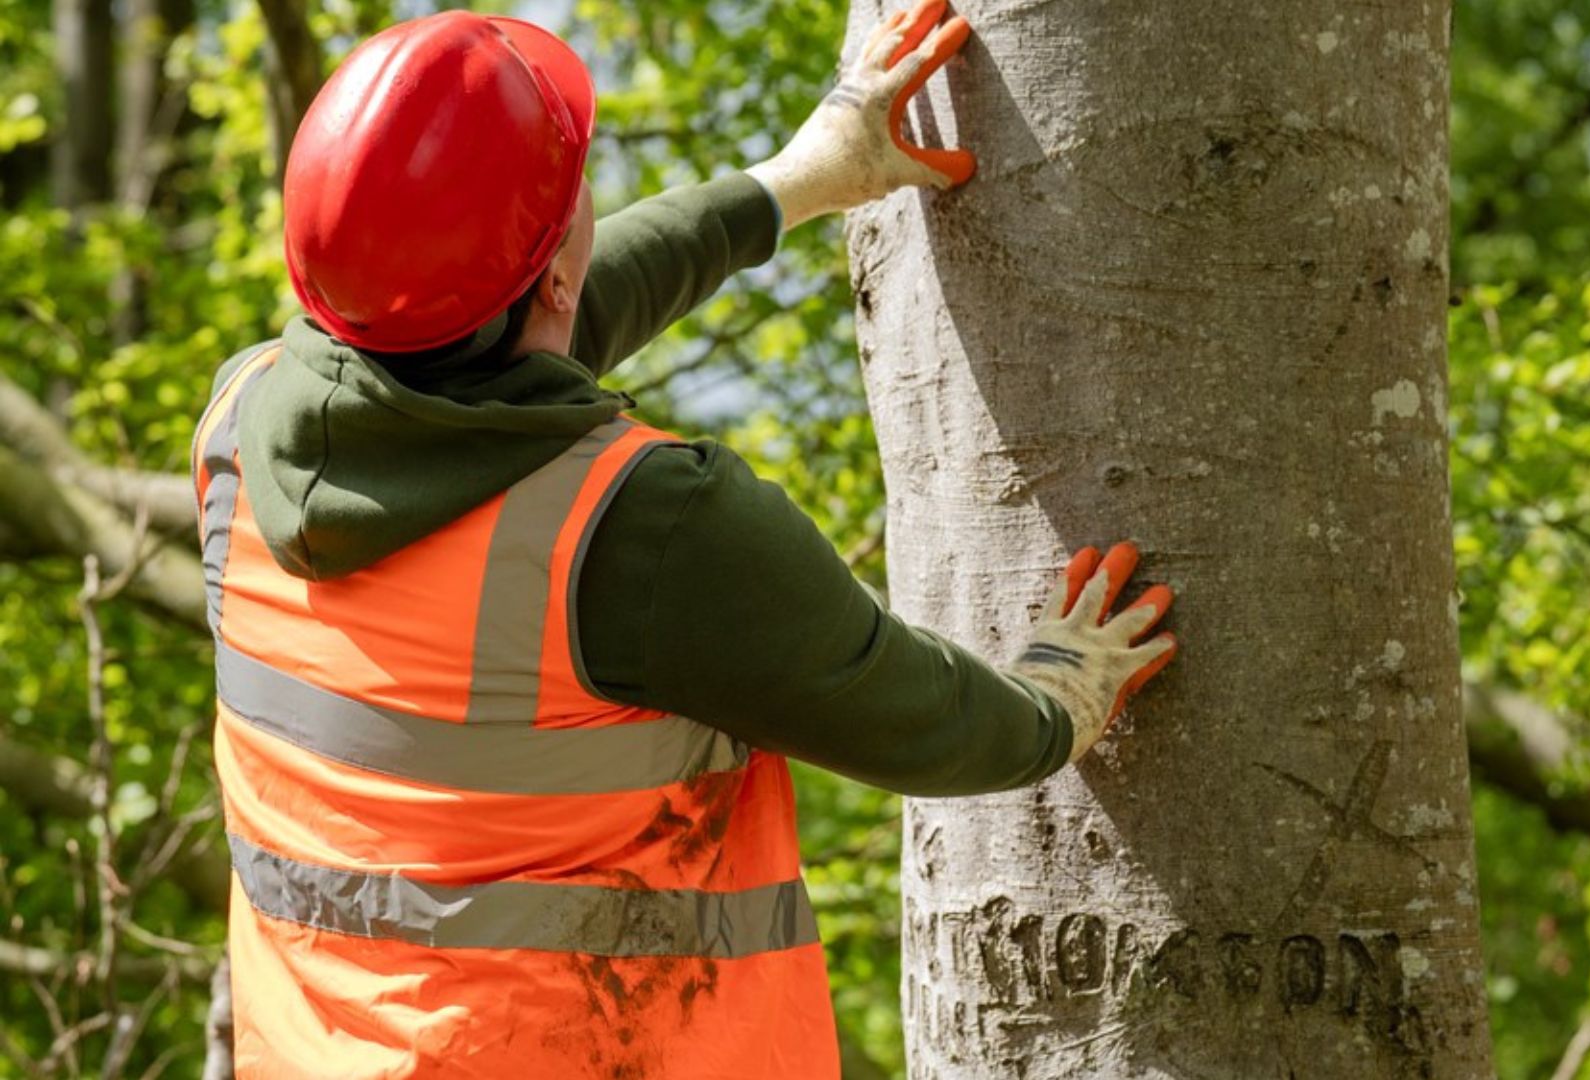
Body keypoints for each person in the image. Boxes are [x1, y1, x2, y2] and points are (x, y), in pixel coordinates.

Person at [191, 2, 1177, 1075]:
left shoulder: (245, 435)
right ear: (554, 279)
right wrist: (1049, 704)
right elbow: (922, 719)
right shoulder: (638, 533)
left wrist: (790, 185)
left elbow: (505, 342)